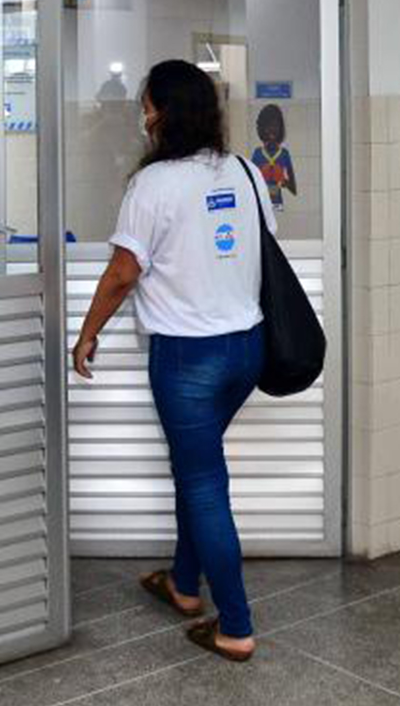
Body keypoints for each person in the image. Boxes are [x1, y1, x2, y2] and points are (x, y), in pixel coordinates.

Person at [71, 59, 272, 663]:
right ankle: (186, 587)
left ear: (163, 112)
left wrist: (87, 334)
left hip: (188, 358)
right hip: (247, 348)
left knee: (204, 483)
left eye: (148, 104)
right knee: (198, 467)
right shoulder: (244, 171)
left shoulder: (153, 184)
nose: (144, 115)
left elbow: (121, 274)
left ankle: (234, 625)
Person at [250, 104, 297, 209]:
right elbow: (251, 183)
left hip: (277, 205)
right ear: (261, 129)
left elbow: (293, 188)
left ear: (280, 129)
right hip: (261, 204)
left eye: (275, 126)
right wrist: (262, 176)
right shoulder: (257, 153)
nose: (271, 130)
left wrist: (283, 181)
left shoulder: (284, 154)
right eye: (267, 127)